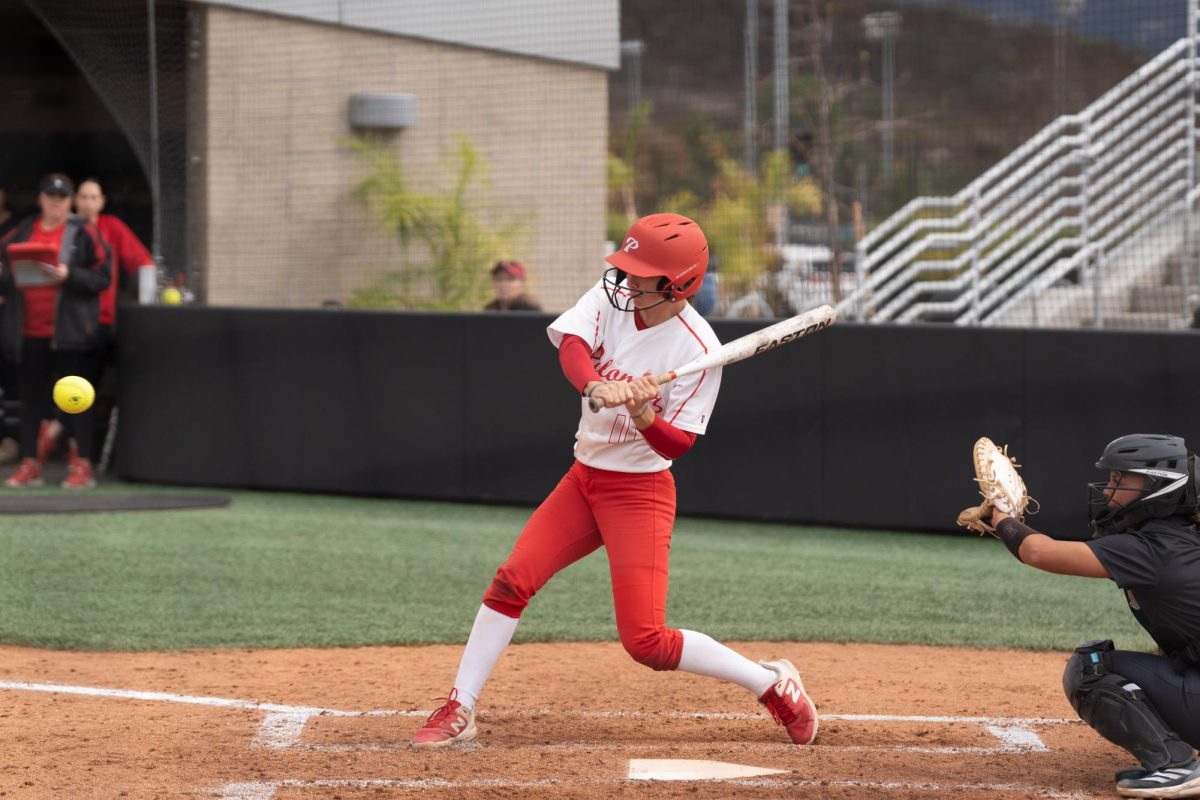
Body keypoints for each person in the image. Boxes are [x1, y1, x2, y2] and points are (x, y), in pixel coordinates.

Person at [411, 213, 818, 749]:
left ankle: (771, 683)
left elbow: (680, 445)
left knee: (646, 641)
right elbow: (572, 344)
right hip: (585, 479)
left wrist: (648, 415)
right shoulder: (612, 298)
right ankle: (461, 705)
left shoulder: (699, 350)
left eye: (642, 273)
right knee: (513, 579)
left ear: (678, 284)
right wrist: (595, 384)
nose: (626, 280)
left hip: (640, 491)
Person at [987, 434, 1200, 799]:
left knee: (1092, 666)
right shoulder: (1179, 538)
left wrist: (1002, 517)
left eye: (1121, 480)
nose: (1108, 490)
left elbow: (1040, 552)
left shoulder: (1151, 549)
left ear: (1158, 486)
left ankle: (1176, 766)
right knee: (1175, 658)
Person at [0, 174, 111, 489]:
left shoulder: (84, 233)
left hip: (70, 333)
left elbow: (103, 276)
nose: (55, 201)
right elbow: (7, 272)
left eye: (61, 197)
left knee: (76, 400)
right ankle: (30, 463)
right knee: (31, 400)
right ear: (41, 199)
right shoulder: (22, 230)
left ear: (70, 201)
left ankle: (82, 465)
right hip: (30, 331)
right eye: (50, 196)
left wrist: (68, 274)